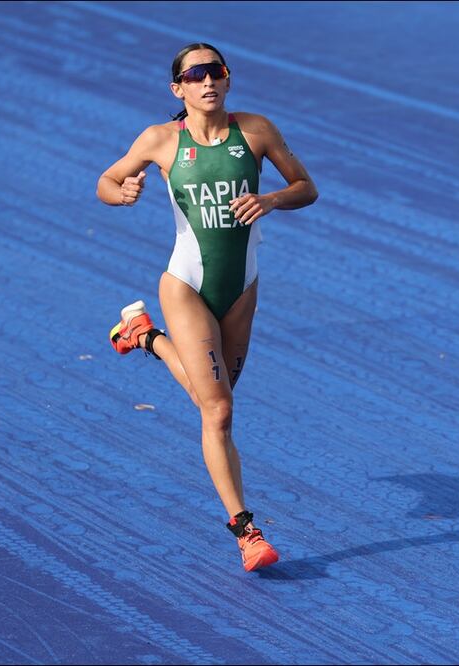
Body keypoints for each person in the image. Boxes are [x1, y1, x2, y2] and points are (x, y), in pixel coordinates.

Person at [96, 43, 318, 572]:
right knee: (218, 411)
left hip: (241, 289)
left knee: (210, 398)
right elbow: (106, 180)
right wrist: (120, 194)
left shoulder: (256, 131)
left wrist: (270, 200)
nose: (207, 82)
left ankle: (144, 335)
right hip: (186, 286)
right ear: (178, 89)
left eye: (214, 71)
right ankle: (246, 532)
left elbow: (306, 187)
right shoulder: (160, 140)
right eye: (194, 75)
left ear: (228, 78)